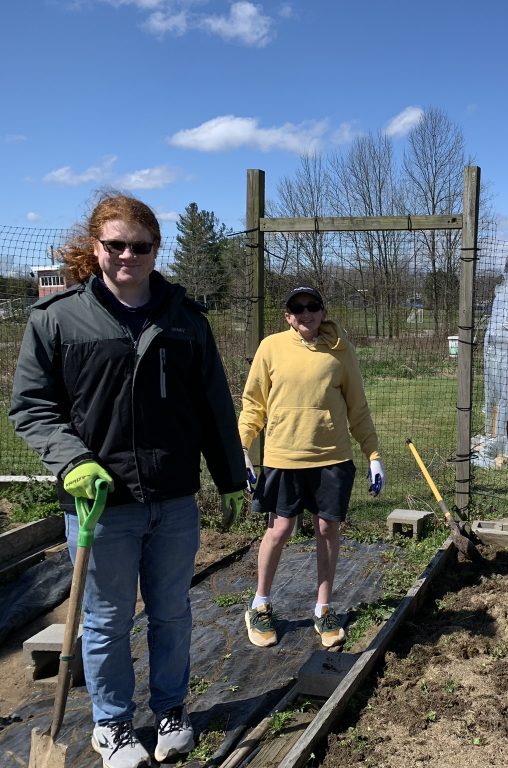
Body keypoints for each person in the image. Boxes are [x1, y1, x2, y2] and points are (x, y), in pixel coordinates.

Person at [9, 193, 247, 768]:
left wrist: (231, 476)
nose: (127, 256)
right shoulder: (59, 319)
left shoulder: (185, 320)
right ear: (96, 248)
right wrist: (71, 461)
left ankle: (170, 710)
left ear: (155, 250)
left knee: (171, 612)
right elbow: (32, 406)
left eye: (140, 246)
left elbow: (214, 405)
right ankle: (112, 725)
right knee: (107, 620)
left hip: (173, 499)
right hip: (99, 503)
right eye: (115, 245)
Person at [237, 286, 384, 650]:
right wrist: (242, 446)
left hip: (332, 458)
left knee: (326, 529)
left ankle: (324, 608)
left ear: (322, 311)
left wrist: (374, 454)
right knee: (280, 528)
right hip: (283, 457)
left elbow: (357, 406)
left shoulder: (339, 350)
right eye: (297, 309)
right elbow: (254, 402)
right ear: (287, 316)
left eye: (312, 307)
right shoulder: (271, 347)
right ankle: (260, 604)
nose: (305, 314)